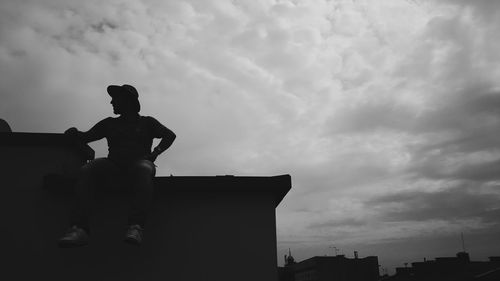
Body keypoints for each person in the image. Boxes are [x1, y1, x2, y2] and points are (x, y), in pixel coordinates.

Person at [58, 84, 176, 247]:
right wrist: (74, 134)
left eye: (116, 99)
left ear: (128, 101)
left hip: (140, 162)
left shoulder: (147, 123)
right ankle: (79, 229)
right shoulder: (109, 124)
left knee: (143, 169)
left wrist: (155, 153)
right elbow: (86, 137)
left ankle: (136, 226)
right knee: (87, 170)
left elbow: (169, 135)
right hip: (113, 164)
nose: (112, 102)